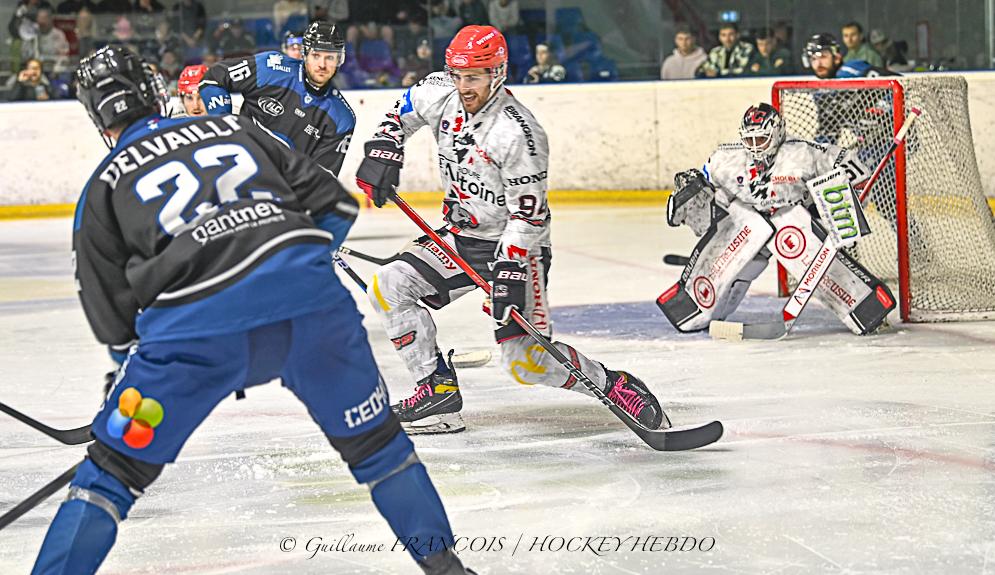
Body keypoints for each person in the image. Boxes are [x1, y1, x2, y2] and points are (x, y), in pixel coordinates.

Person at [31, 45, 474, 575]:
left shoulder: (101, 186)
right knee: (378, 448)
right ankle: (446, 568)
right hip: (311, 309)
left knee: (107, 476)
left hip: (191, 336)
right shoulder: (239, 131)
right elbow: (334, 205)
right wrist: (297, 270)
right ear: (157, 91)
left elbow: (110, 315)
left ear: (95, 118)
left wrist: (128, 375)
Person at [355, 25, 668, 435]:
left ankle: (614, 384)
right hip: (459, 238)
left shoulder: (519, 132)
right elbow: (402, 109)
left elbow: (529, 216)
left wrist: (510, 270)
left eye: (475, 77)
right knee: (388, 286)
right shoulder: (441, 91)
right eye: (458, 75)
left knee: (526, 363)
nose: (464, 86)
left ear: (498, 73)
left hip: (519, 249)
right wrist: (385, 146)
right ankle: (436, 392)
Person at [657, 103, 896, 336]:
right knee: (732, 272)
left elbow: (854, 169)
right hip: (747, 222)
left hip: (791, 219)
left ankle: (866, 308)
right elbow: (706, 184)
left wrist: (838, 207)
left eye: (761, 140)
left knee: (821, 270)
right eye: (749, 140)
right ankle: (697, 312)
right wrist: (691, 189)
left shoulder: (804, 153)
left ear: (778, 132)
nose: (755, 148)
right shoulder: (726, 158)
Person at [200, 21, 355, 176]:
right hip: (235, 169)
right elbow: (213, 78)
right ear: (305, 54)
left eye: (330, 57)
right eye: (316, 55)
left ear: (339, 60)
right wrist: (225, 123)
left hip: (280, 190)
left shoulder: (342, 119)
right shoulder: (269, 68)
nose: (322, 64)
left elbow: (319, 180)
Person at [804, 33, 894, 79]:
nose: (818, 64)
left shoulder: (849, 70)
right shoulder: (820, 91)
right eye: (813, 59)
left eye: (823, 57)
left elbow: (898, 82)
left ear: (837, 58)